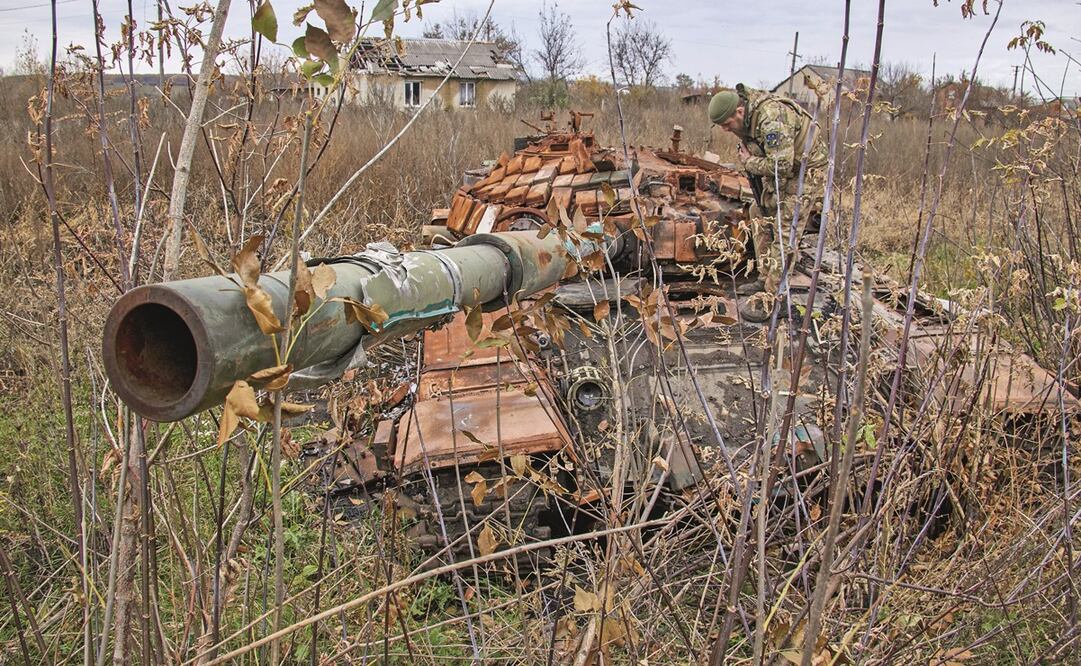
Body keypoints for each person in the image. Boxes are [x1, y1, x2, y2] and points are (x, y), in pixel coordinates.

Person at [708, 84, 827, 321]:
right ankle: (765, 279)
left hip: (806, 170)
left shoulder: (771, 117)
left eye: (727, 124)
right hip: (786, 170)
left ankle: (773, 298)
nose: (725, 130)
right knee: (759, 212)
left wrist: (749, 162)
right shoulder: (748, 119)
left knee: (785, 229)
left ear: (739, 111)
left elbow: (781, 165)